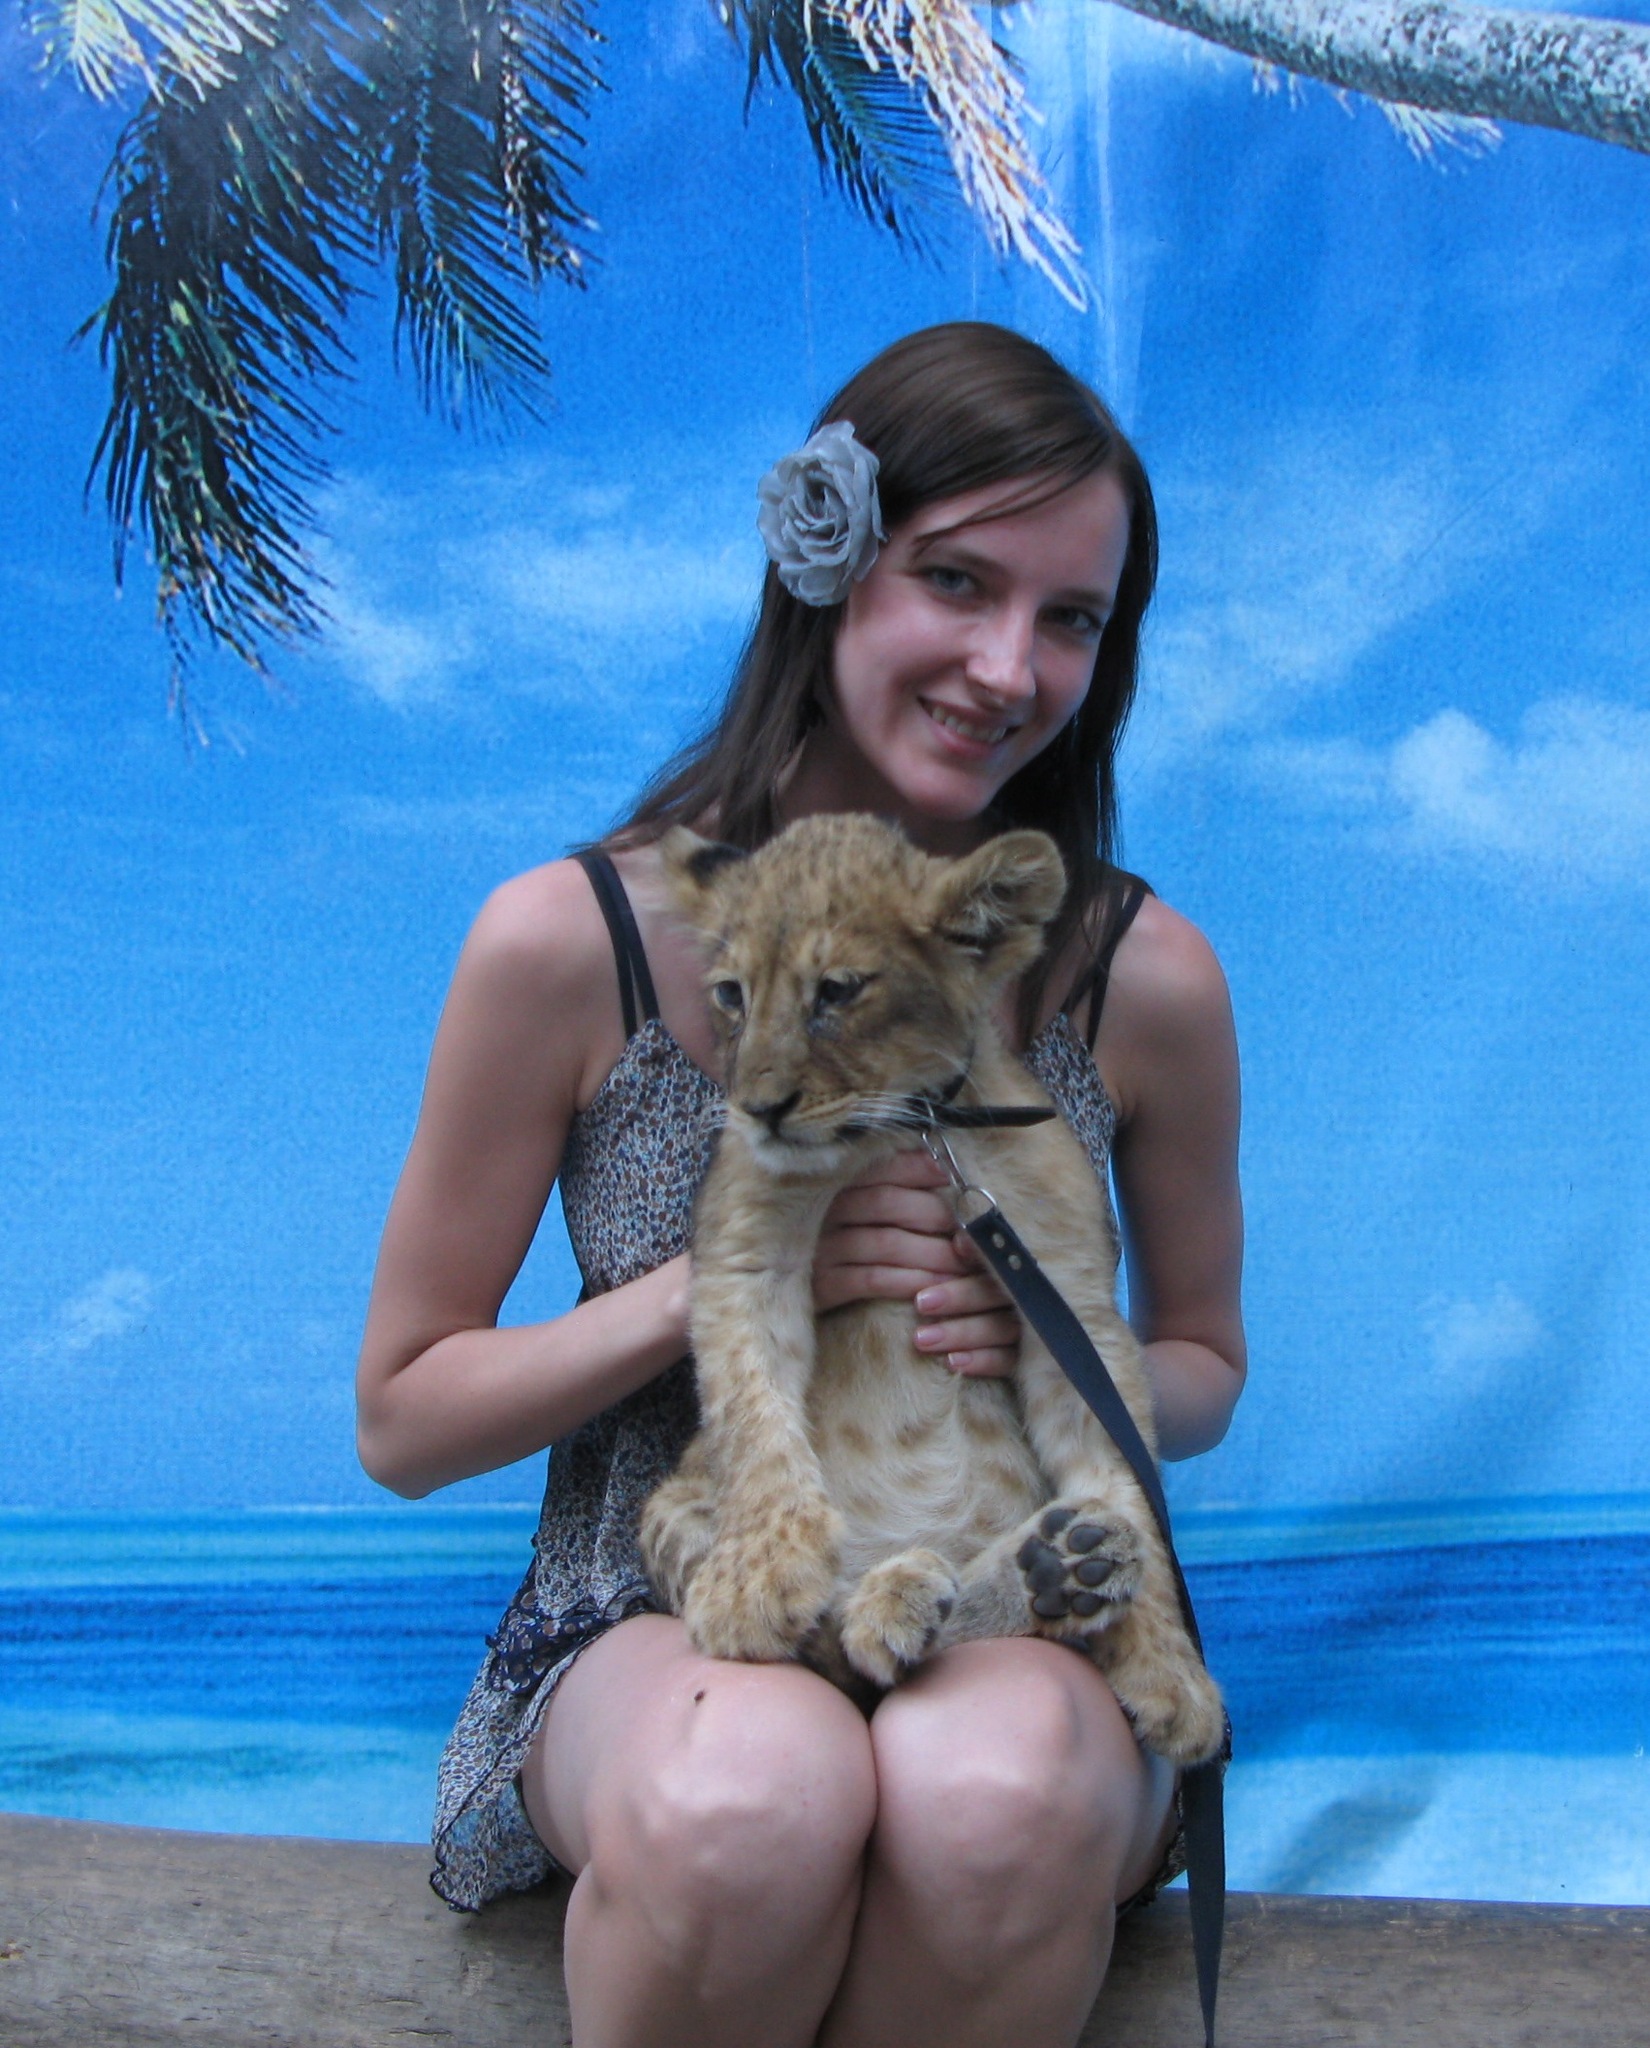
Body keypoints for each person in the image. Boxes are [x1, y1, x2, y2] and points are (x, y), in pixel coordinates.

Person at [355, 321, 1245, 2048]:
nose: (1009, 667)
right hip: (657, 1623)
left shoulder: (1139, 976)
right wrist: (723, 1283)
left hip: (1009, 1610)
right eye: (957, 582)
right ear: (825, 568)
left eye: (1072, 618)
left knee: (996, 1789)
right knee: (748, 1794)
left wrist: (1057, 1340)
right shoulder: (572, 943)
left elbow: (1203, 1368)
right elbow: (403, 1419)